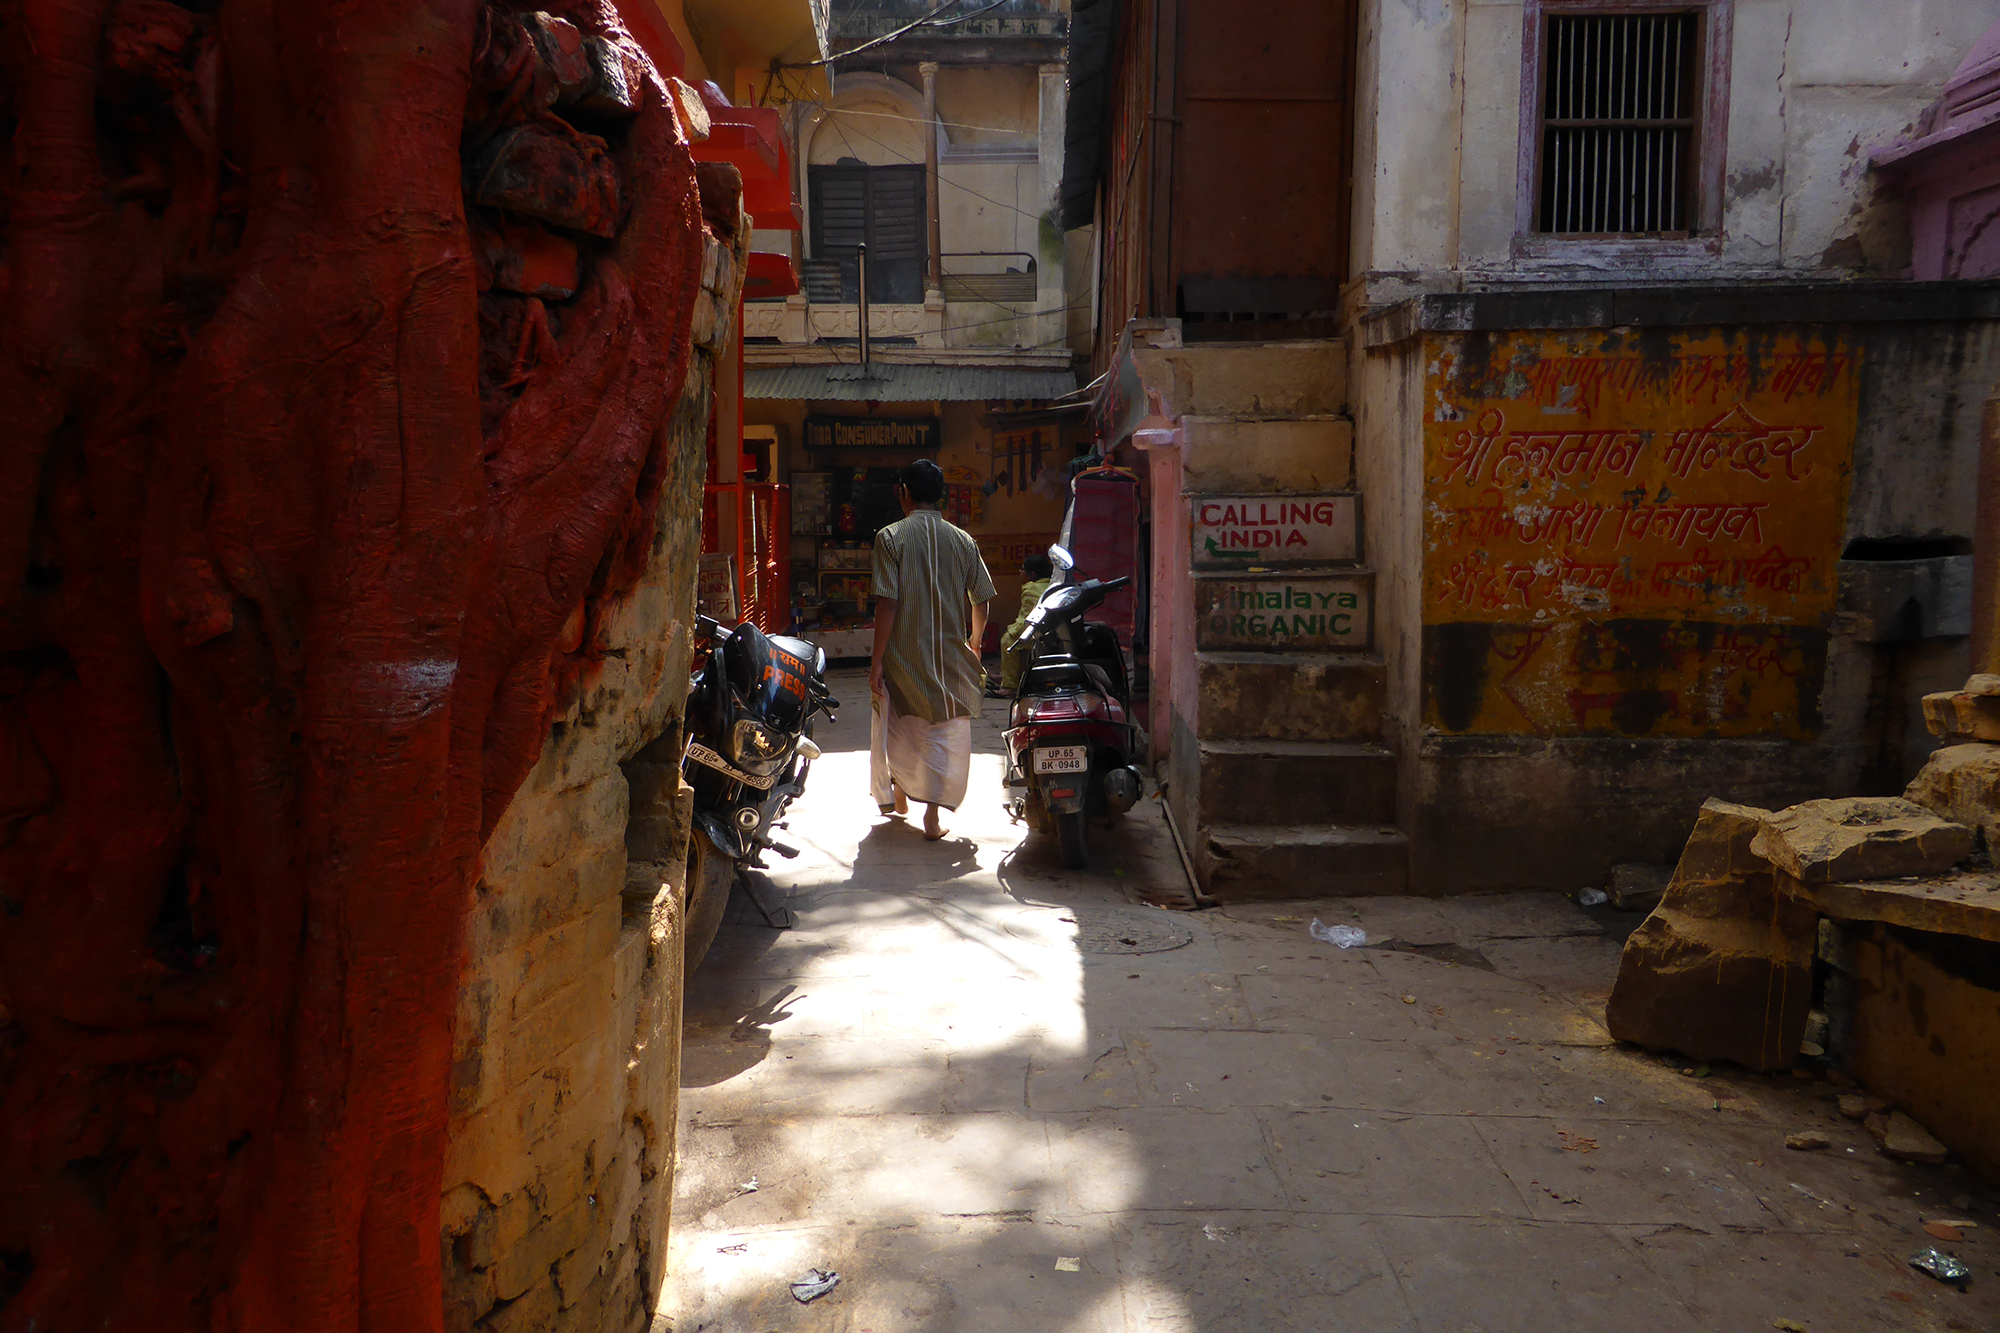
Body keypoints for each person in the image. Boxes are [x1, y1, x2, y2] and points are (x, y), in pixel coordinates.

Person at [868, 458, 997, 839]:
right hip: (950, 658)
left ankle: (902, 790)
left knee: (901, 728)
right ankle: (933, 818)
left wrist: (876, 662)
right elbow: (982, 600)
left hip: (901, 657)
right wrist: (974, 643)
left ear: (904, 493)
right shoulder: (963, 540)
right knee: (944, 736)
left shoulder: (890, 537)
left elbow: (887, 603)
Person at [996, 550, 1052, 694]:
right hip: (1053, 629)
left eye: (1022, 570)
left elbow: (1026, 619)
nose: (1019, 572)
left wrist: (1010, 631)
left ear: (1032, 575)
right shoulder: (1052, 584)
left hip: (1038, 631)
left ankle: (1010, 686)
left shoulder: (1031, 589)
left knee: (1008, 641)